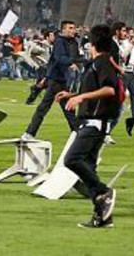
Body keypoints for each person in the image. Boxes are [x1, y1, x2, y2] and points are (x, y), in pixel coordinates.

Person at [56, 24, 120, 228]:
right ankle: (102, 216)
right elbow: (96, 90)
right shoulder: (97, 63)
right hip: (92, 122)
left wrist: (81, 96)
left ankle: (103, 192)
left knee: (72, 159)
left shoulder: (102, 62)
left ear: (91, 44)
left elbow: (109, 90)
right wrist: (73, 95)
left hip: (94, 124)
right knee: (89, 168)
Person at [21, 21, 80, 140]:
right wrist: (73, 62)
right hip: (56, 80)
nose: (73, 30)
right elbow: (59, 59)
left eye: (73, 28)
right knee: (46, 108)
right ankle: (29, 133)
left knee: (66, 108)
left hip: (62, 80)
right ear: (63, 30)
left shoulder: (71, 42)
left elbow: (59, 60)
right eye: (70, 28)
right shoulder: (59, 42)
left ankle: (77, 132)